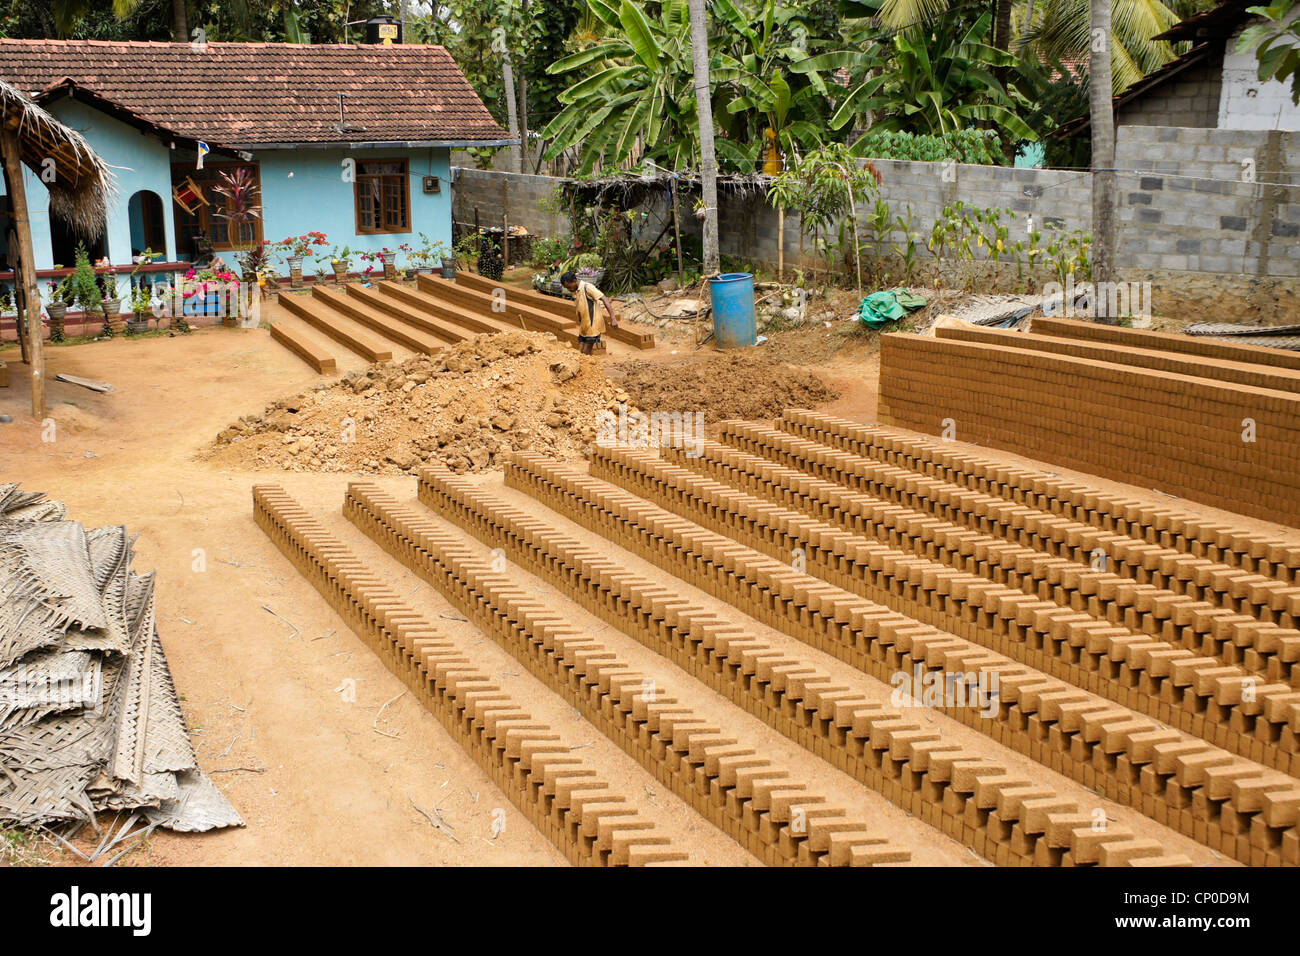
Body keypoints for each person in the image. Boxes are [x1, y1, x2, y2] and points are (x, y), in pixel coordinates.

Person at [561, 270, 618, 355]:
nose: (569, 290)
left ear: (574, 281)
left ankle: (587, 366)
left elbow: (605, 299)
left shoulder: (587, 287)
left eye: (569, 287)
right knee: (580, 350)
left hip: (593, 325)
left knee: (586, 352)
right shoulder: (576, 292)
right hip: (584, 326)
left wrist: (613, 318)